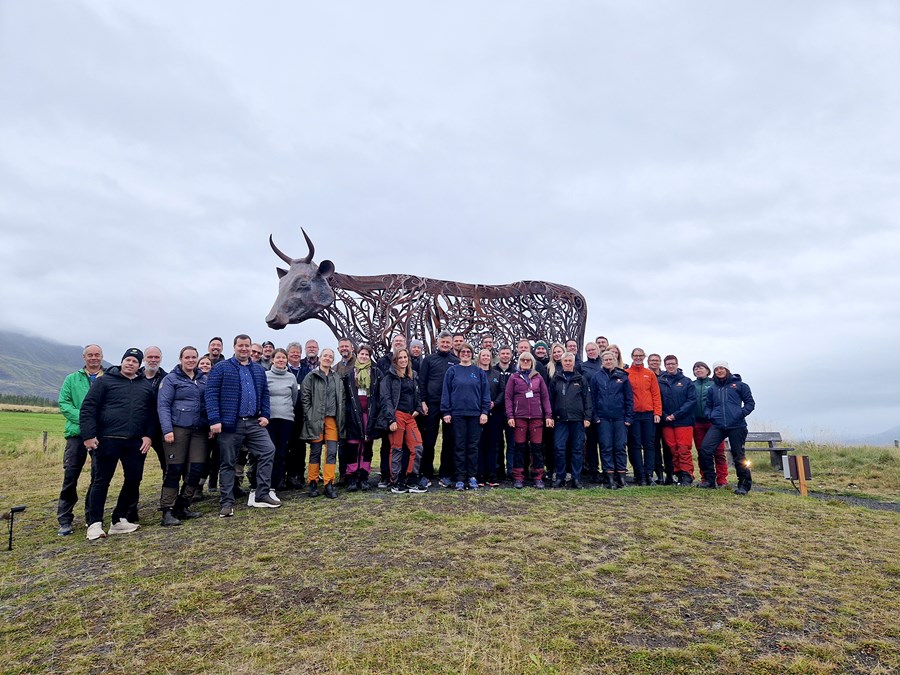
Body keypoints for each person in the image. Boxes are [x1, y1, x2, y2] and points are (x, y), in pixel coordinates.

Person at [80, 348, 153, 540]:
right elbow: (88, 408)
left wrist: (148, 436)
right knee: (101, 480)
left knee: (133, 480)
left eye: (135, 361)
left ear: (140, 365)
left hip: (135, 443)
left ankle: (118, 520)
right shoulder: (104, 381)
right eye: (127, 360)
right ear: (122, 362)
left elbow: (151, 414)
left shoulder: (145, 386)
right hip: (107, 440)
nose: (131, 363)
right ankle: (94, 523)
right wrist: (88, 435)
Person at [205, 334, 281, 518]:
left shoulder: (257, 370)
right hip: (231, 424)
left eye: (247, 346)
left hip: (254, 422)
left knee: (268, 450)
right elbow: (211, 394)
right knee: (228, 462)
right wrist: (214, 419)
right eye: (241, 346)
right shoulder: (222, 368)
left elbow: (264, 394)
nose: (244, 349)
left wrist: (265, 415)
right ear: (234, 347)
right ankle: (227, 502)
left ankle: (262, 493)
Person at [56, 344, 104, 536]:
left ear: (102, 357)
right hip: (76, 435)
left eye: (97, 355)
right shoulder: (72, 379)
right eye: (90, 355)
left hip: (100, 436)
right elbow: (64, 404)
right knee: (70, 477)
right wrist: (86, 422)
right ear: (84, 357)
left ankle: (90, 517)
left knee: (97, 477)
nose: (94, 358)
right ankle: (65, 519)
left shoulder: (108, 378)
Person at [156, 346, 208, 526]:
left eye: (194, 357)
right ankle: (167, 510)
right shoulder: (171, 379)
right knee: (174, 469)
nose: (191, 360)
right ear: (180, 359)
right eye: (187, 357)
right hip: (177, 429)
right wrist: (167, 430)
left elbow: (207, 404)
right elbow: (163, 405)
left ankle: (184, 505)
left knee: (197, 468)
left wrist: (209, 424)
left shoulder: (203, 380)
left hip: (199, 430)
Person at [374, 348, 427, 493]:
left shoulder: (413, 375)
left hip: (410, 417)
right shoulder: (389, 378)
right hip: (396, 415)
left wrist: (418, 408)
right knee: (396, 449)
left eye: (405, 357)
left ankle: (411, 479)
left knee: (417, 447)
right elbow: (386, 399)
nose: (403, 360)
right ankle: (396, 481)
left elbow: (418, 393)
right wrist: (391, 419)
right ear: (395, 360)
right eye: (400, 358)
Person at [699, 361, 755, 495]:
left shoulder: (740, 385)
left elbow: (750, 403)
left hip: (737, 425)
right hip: (718, 425)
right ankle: (709, 480)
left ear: (727, 369)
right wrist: (710, 415)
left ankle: (744, 484)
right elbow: (708, 405)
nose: (719, 371)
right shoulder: (713, 388)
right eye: (716, 369)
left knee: (738, 454)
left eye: (721, 368)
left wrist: (740, 414)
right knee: (705, 449)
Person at [441, 343, 491, 491]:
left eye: (468, 351)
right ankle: (460, 478)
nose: (465, 354)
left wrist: (484, 412)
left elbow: (485, 394)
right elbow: (446, 392)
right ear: (459, 353)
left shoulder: (478, 372)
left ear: (472, 354)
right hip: (457, 414)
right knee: (459, 446)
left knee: (473, 447)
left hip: (475, 415)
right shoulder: (452, 371)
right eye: (463, 351)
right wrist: (446, 412)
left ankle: (472, 476)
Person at [301, 348, 345, 499]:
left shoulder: (337, 378)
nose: (327, 358)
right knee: (315, 451)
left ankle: (329, 483)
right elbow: (305, 398)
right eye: (325, 356)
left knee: (332, 452)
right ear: (320, 358)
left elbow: (342, 399)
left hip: (332, 419)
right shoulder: (311, 376)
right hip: (316, 420)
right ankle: (312, 482)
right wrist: (309, 415)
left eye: (330, 356)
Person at [505, 351, 553, 489]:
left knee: (537, 448)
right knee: (519, 448)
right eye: (523, 360)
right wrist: (510, 416)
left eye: (528, 360)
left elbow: (545, 397)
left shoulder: (538, 378)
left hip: (536, 418)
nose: (525, 362)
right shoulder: (514, 377)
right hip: (519, 417)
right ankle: (518, 476)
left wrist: (548, 415)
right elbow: (508, 398)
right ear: (519, 362)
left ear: (532, 362)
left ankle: (538, 476)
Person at [418, 330, 459, 484]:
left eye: (448, 342)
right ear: (437, 342)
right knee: (429, 440)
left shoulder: (455, 361)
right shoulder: (429, 360)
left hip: (449, 406)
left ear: (451, 344)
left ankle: (445, 474)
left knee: (449, 440)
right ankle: (426, 473)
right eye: (443, 342)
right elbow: (422, 382)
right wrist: (423, 401)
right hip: (431, 404)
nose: (445, 344)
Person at [590, 350, 634, 489]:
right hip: (603, 419)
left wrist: (628, 417)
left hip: (620, 418)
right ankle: (609, 476)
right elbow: (592, 399)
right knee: (606, 446)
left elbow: (629, 398)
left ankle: (621, 476)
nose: (608, 362)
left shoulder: (623, 376)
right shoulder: (596, 377)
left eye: (610, 359)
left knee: (620, 447)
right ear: (602, 361)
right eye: (606, 360)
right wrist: (595, 417)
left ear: (615, 360)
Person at [549, 352, 592, 488]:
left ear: (574, 363)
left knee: (577, 449)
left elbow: (587, 399)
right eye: (565, 361)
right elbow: (550, 399)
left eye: (570, 361)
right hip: (560, 420)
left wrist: (587, 416)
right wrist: (549, 416)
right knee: (559, 448)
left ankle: (576, 478)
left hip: (577, 420)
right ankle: (560, 477)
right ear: (561, 362)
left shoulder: (581, 379)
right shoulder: (556, 378)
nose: (567, 363)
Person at [658, 355, 697, 487]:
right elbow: (657, 400)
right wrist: (664, 415)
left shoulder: (686, 381)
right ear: (665, 365)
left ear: (677, 364)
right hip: (667, 421)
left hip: (683, 421)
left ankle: (687, 474)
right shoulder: (661, 381)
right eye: (668, 364)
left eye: (673, 363)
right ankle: (678, 473)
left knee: (683, 448)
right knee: (673, 448)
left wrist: (676, 415)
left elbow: (691, 401)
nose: (670, 366)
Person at [343, 344, 378, 491]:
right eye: (361, 354)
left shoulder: (376, 373)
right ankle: (351, 477)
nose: (364, 357)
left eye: (366, 355)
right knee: (352, 446)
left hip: (369, 415)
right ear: (357, 355)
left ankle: (364, 476)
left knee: (367, 446)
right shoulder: (349, 374)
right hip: (353, 416)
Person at [626, 347, 661, 486]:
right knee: (634, 445)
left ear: (644, 357)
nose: (638, 358)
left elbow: (655, 394)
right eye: (636, 355)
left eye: (641, 355)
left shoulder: (649, 374)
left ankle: (649, 474)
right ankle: (639, 474)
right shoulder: (626, 373)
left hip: (648, 413)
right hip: (633, 414)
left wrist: (657, 412)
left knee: (649, 445)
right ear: (632, 357)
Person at [265, 348, 298, 493]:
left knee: (281, 452)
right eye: (278, 357)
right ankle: (264, 483)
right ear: (272, 359)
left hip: (286, 419)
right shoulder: (265, 375)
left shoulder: (291, 377)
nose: (281, 360)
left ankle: (276, 483)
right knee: (268, 452)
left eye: (283, 358)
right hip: (269, 420)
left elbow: (294, 398)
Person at [692, 361, 728, 487]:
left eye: (701, 368)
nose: (698, 370)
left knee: (718, 452)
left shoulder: (714, 384)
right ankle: (706, 478)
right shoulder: (692, 385)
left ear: (707, 370)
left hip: (714, 423)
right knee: (702, 452)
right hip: (697, 422)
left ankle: (722, 479)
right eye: (696, 369)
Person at [490, 346, 516, 480]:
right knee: (496, 442)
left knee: (512, 442)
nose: (505, 356)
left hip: (512, 412)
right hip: (496, 411)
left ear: (511, 355)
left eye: (508, 353)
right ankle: (497, 470)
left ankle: (511, 470)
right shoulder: (493, 370)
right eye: (503, 353)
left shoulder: (516, 370)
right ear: (498, 355)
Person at [476, 348, 501, 486]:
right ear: (479, 357)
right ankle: (480, 474)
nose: (485, 357)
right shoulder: (474, 373)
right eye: (483, 355)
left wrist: (494, 403)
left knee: (492, 445)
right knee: (479, 445)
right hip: (477, 414)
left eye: (488, 355)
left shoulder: (497, 374)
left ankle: (492, 475)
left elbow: (503, 391)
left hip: (494, 414)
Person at [580, 342, 603, 482]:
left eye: (593, 349)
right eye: (588, 350)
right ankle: (593, 470)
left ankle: (609, 470)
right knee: (591, 442)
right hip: (589, 407)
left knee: (606, 443)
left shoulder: (604, 364)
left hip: (604, 409)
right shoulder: (583, 366)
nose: (591, 352)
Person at [196, 355, 218, 497]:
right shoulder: (193, 380)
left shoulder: (215, 381)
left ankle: (207, 483)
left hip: (213, 425)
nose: (205, 365)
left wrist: (213, 424)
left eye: (207, 364)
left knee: (214, 457)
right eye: (202, 363)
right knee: (200, 458)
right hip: (197, 425)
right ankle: (196, 487)